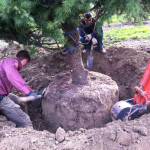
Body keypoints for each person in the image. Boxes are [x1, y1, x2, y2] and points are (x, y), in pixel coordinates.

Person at [0, 50, 41, 128]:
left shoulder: (6, 62)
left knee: (16, 99)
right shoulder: (10, 65)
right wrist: (28, 92)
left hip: (2, 92)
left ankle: (14, 116)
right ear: (25, 60)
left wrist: (32, 92)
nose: (23, 68)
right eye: (25, 65)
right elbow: (15, 79)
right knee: (26, 122)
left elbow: (16, 80)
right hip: (0, 97)